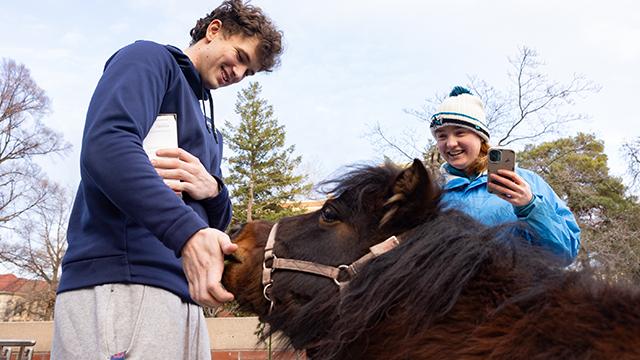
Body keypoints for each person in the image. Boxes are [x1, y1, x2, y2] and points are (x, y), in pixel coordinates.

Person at [51, 1, 283, 359]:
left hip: (185, 297)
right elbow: (106, 144)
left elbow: (210, 225)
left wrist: (215, 192)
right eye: (239, 56)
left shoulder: (209, 125)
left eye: (248, 71)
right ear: (214, 31)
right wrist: (187, 233)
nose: (238, 73)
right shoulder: (149, 59)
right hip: (124, 284)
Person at [430, 86, 580, 265]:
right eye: (441, 136)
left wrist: (530, 206)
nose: (451, 143)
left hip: (521, 291)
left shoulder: (526, 182)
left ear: (480, 137)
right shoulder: (433, 196)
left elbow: (565, 253)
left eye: (460, 132)